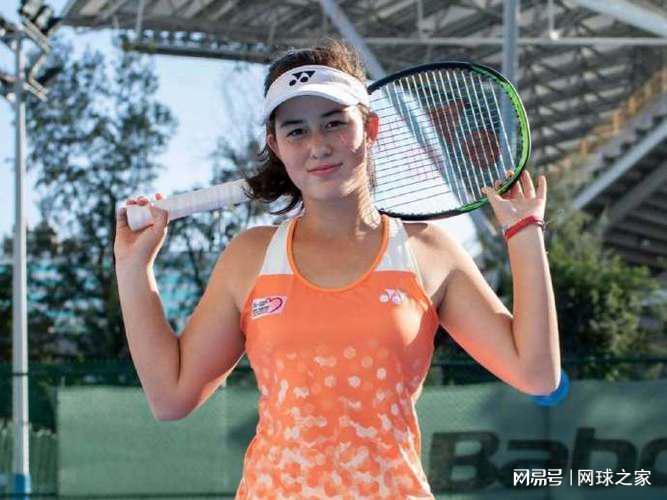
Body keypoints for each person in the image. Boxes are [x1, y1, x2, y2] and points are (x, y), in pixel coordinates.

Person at [114, 38, 561, 499]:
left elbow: (537, 374)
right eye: (296, 131)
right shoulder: (250, 257)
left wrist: (524, 231)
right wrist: (132, 267)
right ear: (275, 145)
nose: (318, 146)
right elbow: (171, 397)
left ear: (370, 127)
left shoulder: (427, 251)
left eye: (334, 123)